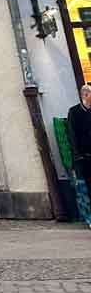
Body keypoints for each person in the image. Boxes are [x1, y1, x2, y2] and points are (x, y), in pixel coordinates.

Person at [67, 83, 91, 227]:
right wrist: (77, 156)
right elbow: (72, 135)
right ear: (85, 95)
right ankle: (88, 218)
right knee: (84, 188)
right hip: (82, 157)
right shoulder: (74, 112)